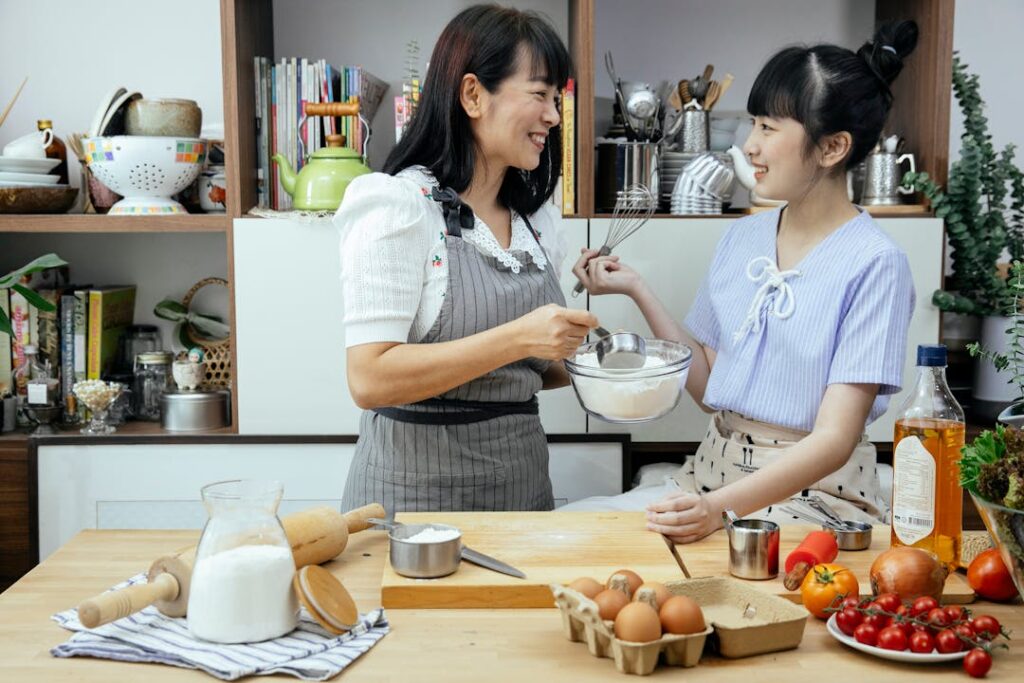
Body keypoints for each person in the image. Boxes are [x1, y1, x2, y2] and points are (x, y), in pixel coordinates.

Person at [567, 21, 920, 543]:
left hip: (817, 497)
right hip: (711, 473)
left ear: (832, 147)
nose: (749, 145)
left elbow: (834, 438)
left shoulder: (875, 263)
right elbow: (711, 391)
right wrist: (636, 287)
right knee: (585, 537)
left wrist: (714, 511)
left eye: (769, 129)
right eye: (754, 124)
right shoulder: (744, 238)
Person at [334, 5, 597, 513]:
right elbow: (369, 378)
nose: (554, 116)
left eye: (556, 99)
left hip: (522, 496)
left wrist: (595, 361)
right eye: (540, 94)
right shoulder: (399, 207)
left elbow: (536, 370)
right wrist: (520, 335)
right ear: (474, 95)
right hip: (410, 509)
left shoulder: (535, 223)